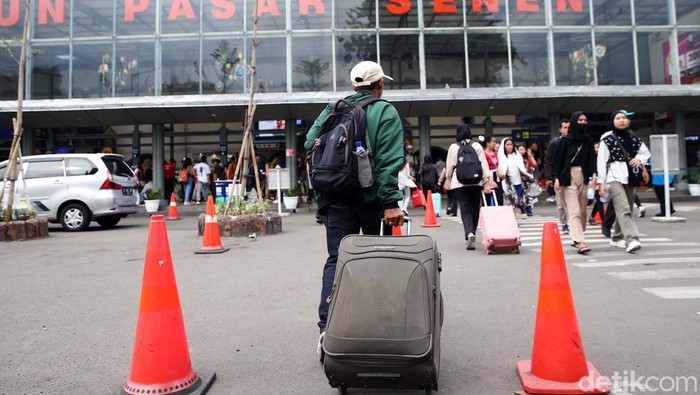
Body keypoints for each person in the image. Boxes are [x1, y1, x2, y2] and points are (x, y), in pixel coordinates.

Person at [303, 61, 405, 357]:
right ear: (380, 85)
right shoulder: (385, 111)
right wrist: (390, 202)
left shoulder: (333, 109)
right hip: (371, 201)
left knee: (337, 260)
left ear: (353, 86)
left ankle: (326, 329)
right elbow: (389, 159)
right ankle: (375, 325)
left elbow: (311, 142)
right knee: (375, 260)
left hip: (335, 198)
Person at [597, 109, 650, 253]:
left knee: (628, 208)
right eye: (618, 118)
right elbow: (601, 162)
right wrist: (601, 183)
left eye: (624, 118)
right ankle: (632, 239)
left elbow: (645, 153)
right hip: (614, 176)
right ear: (612, 121)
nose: (621, 120)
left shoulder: (634, 138)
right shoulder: (607, 139)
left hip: (631, 176)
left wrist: (639, 159)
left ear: (628, 121)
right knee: (623, 207)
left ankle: (617, 238)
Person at [553, 111, 597, 254]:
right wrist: (556, 178)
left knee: (583, 210)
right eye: (580, 120)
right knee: (574, 210)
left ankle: (579, 233)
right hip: (568, 176)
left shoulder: (588, 141)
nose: (583, 123)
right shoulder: (564, 141)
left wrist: (594, 176)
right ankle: (579, 241)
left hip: (584, 176)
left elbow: (592, 159)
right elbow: (557, 161)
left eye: (585, 120)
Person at [445, 124, 492, 250]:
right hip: (476, 182)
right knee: (475, 209)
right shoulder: (476, 146)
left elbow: (449, 167)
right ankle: (473, 232)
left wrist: (449, 179)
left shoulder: (453, 147)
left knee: (465, 208)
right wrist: (486, 181)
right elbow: (484, 165)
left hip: (459, 183)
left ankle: (469, 233)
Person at [544, 119, 570, 233]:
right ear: (560, 129)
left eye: (569, 127)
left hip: (573, 175)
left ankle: (573, 223)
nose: (567, 130)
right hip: (559, 177)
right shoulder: (555, 143)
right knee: (561, 202)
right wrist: (549, 177)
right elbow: (548, 160)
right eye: (564, 127)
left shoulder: (574, 142)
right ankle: (564, 223)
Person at [498, 137, 533, 219]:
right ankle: (513, 220)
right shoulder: (502, 157)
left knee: (519, 199)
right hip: (508, 183)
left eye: (511, 144)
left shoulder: (517, 156)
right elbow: (501, 170)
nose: (510, 146)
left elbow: (522, 169)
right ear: (504, 146)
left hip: (519, 182)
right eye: (507, 145)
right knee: (511, 202)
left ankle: (523, 212)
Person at [482, 135, 503, 206]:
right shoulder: (483, 154)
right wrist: (489, 180)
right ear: (488, 143)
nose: (495, 143)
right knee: (487, 198)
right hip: (487, 176)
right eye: (493, 141)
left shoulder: (497, 154)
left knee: (499, 198)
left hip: (496, 176)